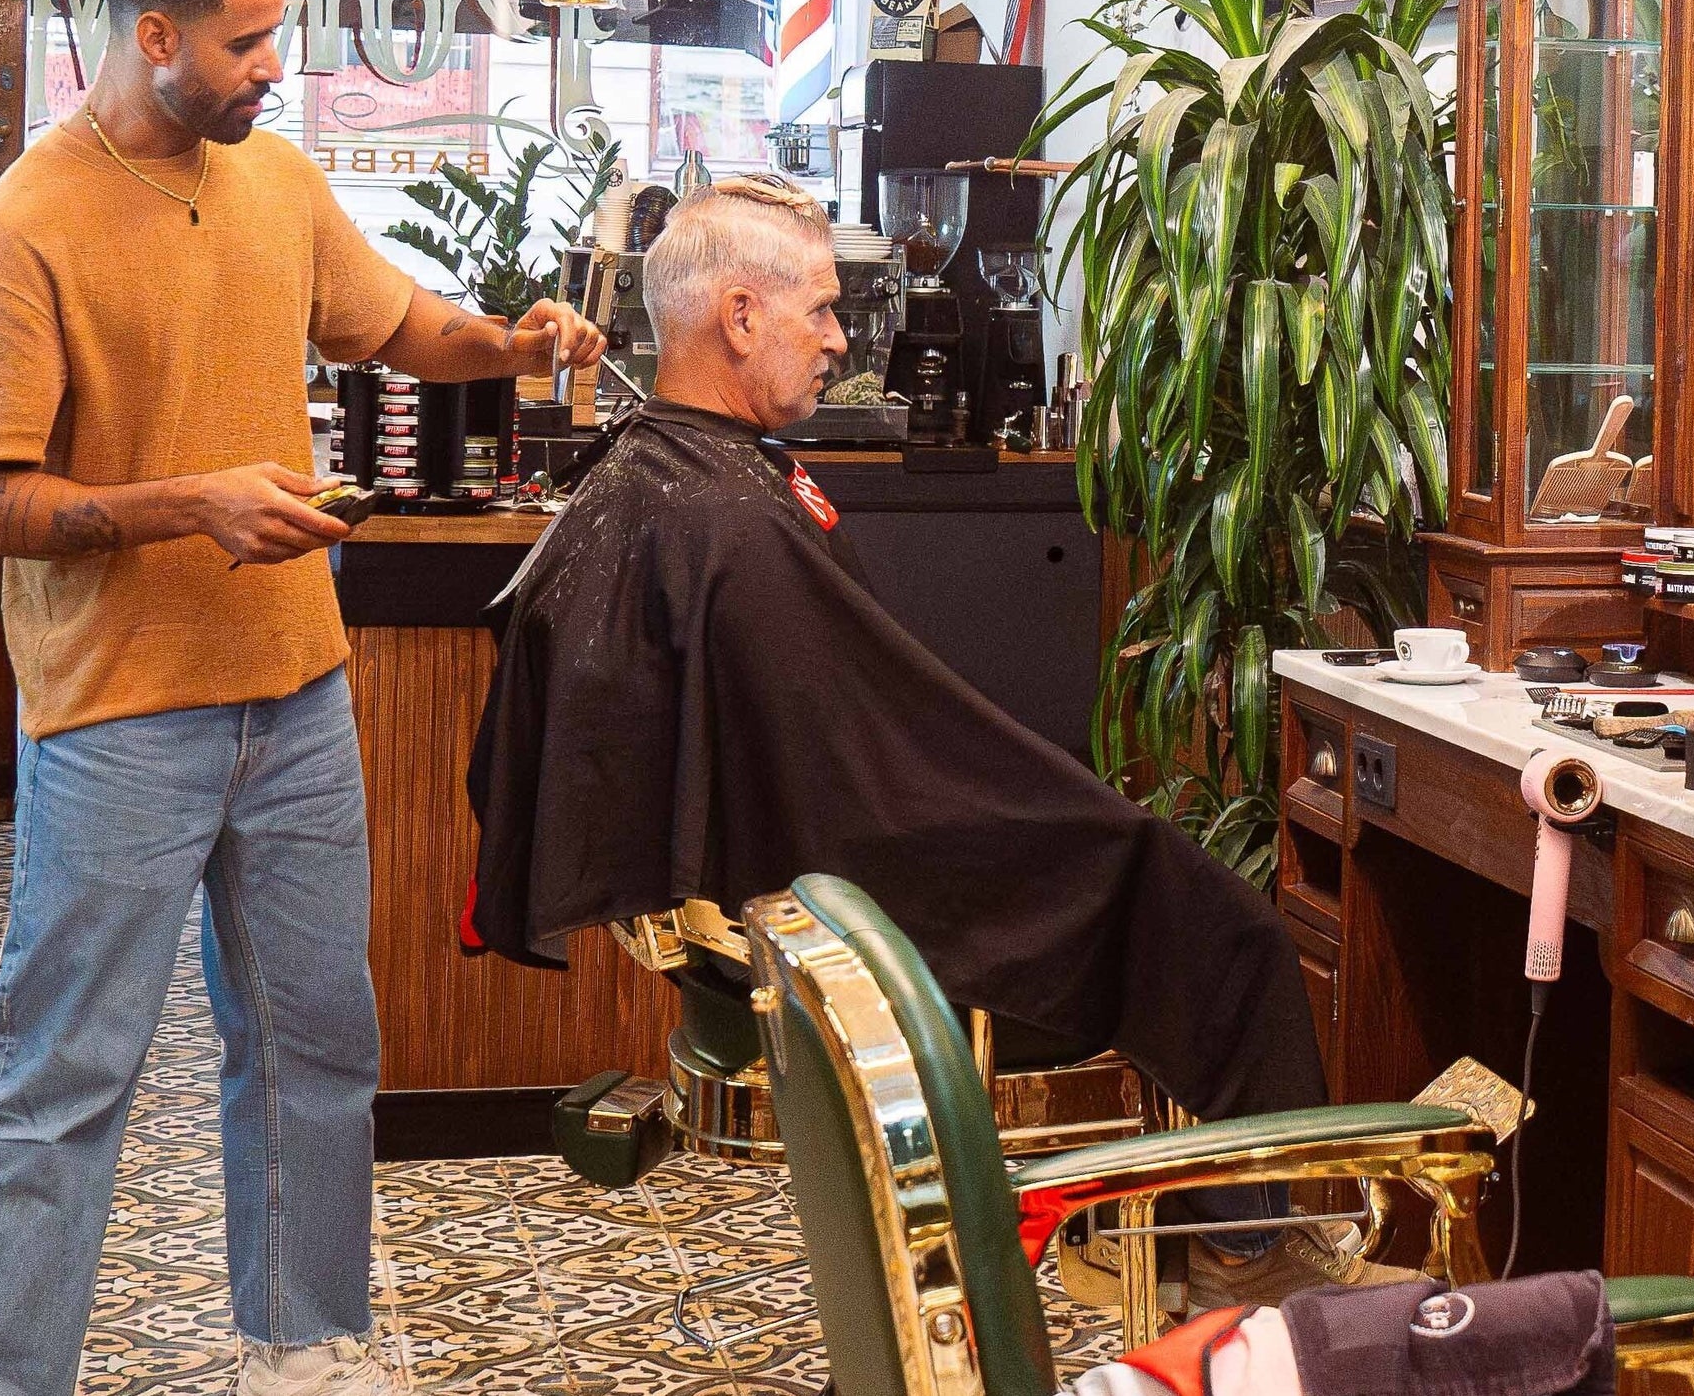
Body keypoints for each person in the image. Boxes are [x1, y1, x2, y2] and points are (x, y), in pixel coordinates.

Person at [0, 0, 606, 1396]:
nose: (277, 63)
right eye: (250, 39)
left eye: (278, 31)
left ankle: (308, 1347)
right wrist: (189, 503)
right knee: (58, 1077)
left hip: (298, 696)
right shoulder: (15, 236)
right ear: (153, 35)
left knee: (317, 1044)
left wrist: (515, 340)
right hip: (117, 717)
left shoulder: (275, 179)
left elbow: (395, 321)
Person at [463, 176, 1350, 1308]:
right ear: (739, 316)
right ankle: (1247, 1246)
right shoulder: (724, 517)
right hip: (864, 916)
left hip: (793, 899)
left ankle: (1214, 1238)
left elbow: (853, 744)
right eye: (823, 310)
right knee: (1230, 932)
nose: (840, 341)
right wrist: (1082, 821)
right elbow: (875, 781)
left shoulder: (652, 482)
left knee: (1133, 852)